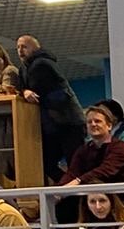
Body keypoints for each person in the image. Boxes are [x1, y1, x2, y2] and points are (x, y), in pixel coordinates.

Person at [15, 36, 85, 174]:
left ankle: (70, 185)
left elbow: (37, 89)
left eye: (24, 47)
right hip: (56, 123)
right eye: (18, 47)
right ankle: (68, 185)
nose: (20, 50)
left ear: (36, 48)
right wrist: (25, 91)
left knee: (70, 163)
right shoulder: (25, 68)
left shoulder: (41, 64)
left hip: (67, 122)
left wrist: (25, 91)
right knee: (54, 163)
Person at [60, 105, 124, 202]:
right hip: (90, 199)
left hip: (120, 199)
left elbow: (104, 171)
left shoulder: (120, 147)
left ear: (109, 126)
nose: (93, 124)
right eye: (89, 122)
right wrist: (59, 189)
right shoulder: (83, 149)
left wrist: (78, 181)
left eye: (97, 121)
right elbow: (72, 172)